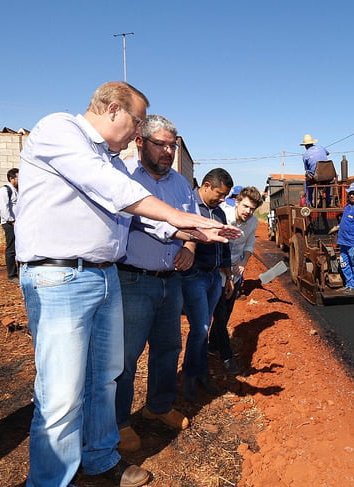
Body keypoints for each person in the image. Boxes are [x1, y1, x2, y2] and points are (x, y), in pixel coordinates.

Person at [15, 81, 238, 487]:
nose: (137, 133)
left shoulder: (111, 159)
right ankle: (48, 480)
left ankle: (100, 458)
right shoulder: (59, 130)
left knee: (103, 378)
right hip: (61, 275)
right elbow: (115, 191)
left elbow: (136, 213)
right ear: (114, 108)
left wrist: (187, 231)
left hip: (102, 276)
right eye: (137, 122)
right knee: (62, 394)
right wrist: (180, 217)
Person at [115, 115, 198, 452]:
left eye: (172, 145)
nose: (168, 151)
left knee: (168, 350)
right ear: (139, 142)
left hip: (171, 282)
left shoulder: (180, 183)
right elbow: (139, 221)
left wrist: (190, 246)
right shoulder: (123, 180)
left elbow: (192, 225)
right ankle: (119, 421)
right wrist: (183, 234)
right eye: (161, 144)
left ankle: (158, 407)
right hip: (134, 280)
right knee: (125, 357)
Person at [181, 168, 234, 401]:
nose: (223, 199)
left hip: (214, 278)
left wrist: (227, 277)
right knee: (200, 328)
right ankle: (190, 378)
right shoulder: (188, 209)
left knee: (205, 326)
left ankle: (201, 374)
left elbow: (224, 247)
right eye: (220, 194)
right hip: (195, 276)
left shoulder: (219, 213)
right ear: (206, 186)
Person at [210, 186, 264, 374]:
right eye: (246, 207)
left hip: (235, 273)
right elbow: (218, 246)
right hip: (218, 272)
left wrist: (243, 263)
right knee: (220, 313)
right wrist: (226, 275)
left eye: (252, 209)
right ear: (237, 201)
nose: (248, 212)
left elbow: (249, 244)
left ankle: (212, 346)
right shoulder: (222, 215)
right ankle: (227, 357)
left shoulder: (253, 221)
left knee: (225, 314)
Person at [0, 168, 19, 282]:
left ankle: (20, 272)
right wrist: (11, 221)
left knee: (20, 248)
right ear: (11, 178)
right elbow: (3, 209)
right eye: (18, 177)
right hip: (10, 224)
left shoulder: (17, 190)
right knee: (12, 249)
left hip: (17, 223)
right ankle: (12, 275)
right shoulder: (4, 191)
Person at [300, 134, 330, 206]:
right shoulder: (321, 148)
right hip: (327, 174)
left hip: (316, 176)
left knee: (307, 183)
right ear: (313, 142)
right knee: (328, 183)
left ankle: (309, 203)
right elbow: (328, 153)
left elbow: (307, 169)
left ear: (305, 145)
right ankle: (328, 200)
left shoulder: (305, 155)